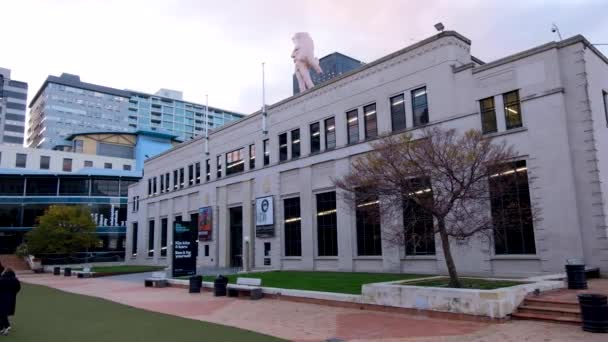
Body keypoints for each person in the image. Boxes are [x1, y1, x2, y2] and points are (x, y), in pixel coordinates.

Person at [0, 268, 21, 336]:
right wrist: (13, 293)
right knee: (4, 312)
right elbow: (18, 288)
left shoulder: (2, 279)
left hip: (2, 298)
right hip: (11, 298)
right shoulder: (15, 280)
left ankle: (7, 326)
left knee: (2, 312)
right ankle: (2, 328)